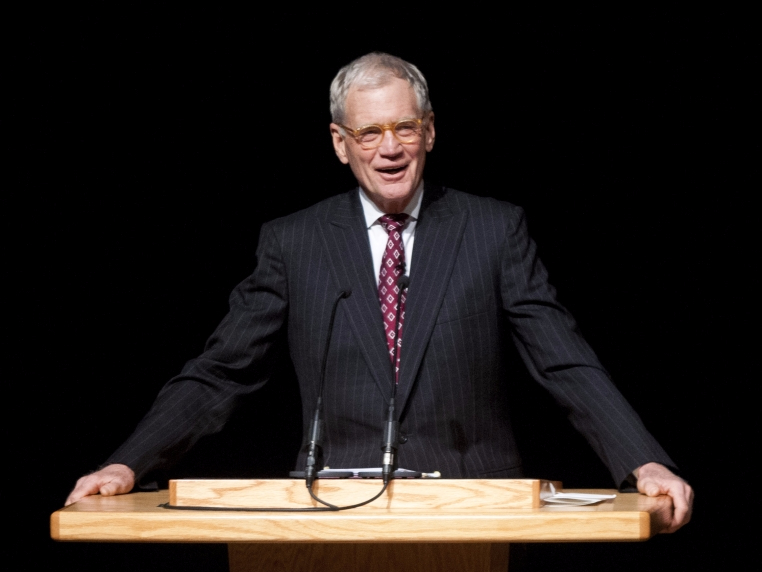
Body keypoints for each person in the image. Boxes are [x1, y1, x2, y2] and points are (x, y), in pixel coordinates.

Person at [66, 52, 692, 532]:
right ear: (340, 143)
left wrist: (642, 460)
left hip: (473, 510)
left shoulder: (493, 229)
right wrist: (128, 463)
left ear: (430, 132)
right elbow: (222, 371)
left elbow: (563, 360)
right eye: (369, 133)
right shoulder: (295, 242)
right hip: (329, 511)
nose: (390, 148)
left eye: (405, 127)